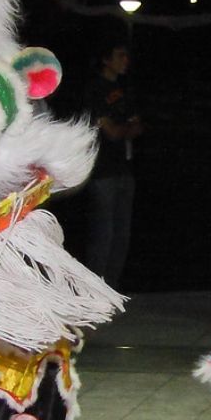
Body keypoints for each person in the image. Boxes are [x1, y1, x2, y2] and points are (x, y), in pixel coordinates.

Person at [84, 41, 141, 283]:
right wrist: (125, 127)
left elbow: (138, 126)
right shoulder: (95, 90)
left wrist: (124, 127)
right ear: (106, 59)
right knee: (103, 233)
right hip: (102, 170)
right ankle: (93, 287)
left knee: (122, 234)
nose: (125, 60)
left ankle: (112, 286)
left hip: (124, 169)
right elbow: (112, 132)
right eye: (120, 55)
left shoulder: (125, 89)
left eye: (126, 55)